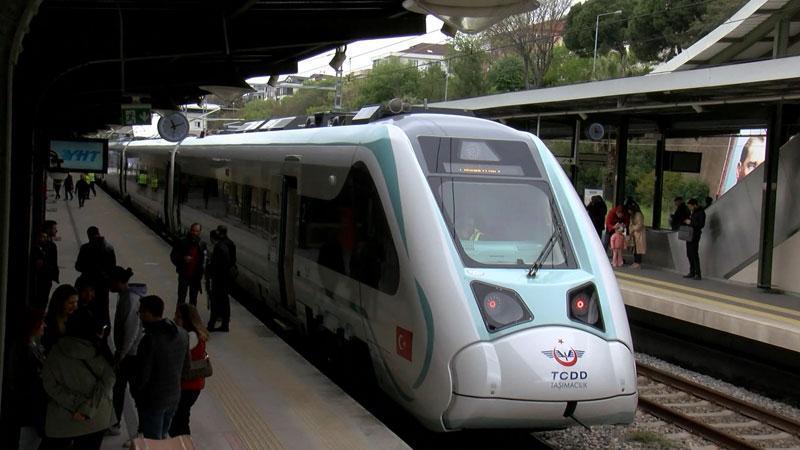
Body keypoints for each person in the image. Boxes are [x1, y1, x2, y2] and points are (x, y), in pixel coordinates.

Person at [39, 310, 115, 450]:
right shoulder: (98, 351)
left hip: (64, 419)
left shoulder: (55, 352)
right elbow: (109, 379)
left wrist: (75, 404)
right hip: (97, 418)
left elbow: (50, 385)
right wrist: (87, 408)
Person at [133, 295, 190, 440]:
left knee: (153, 440)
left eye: (141, 312)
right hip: (174, 396)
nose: (139, 316)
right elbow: (186, 367)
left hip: (153, 400)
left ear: (149, 313)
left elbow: (143, 375)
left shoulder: (150, 340)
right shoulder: (183, 334)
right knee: (163, 434)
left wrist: (137, 394)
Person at [109, 266, 146, 435]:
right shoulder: (125, 296)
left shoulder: (131, 299)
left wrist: (120, 354)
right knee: (120, 388)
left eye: (110, 282)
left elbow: (131, 331)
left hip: (132, 354)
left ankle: (142, 430)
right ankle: (115, 422)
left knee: (134, 391)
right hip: (128, 353)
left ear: (118, 282)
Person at [9, 308, 47, 449]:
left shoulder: (31, 346)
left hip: (30, 407)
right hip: (29, 408)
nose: (44, 325)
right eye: (41, 322)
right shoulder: (25, 349)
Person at [169, 304, 209, 436]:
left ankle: (183, 442)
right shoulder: (196, 334)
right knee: (182, 416)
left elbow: (176, 356)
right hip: (194, 384)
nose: (174, 319)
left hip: (188, 385)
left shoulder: (190, 337)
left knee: (180, 419)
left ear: (187, 320)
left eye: (178, 317)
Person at [75, 226, 116, 331]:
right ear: (99, 233)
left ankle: (88, 330)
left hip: (87, 285)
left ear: (89, 236)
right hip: (103, 287)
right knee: (104, 311)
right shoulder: (109, 248)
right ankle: (104, 331)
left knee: (87, 309)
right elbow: (112, 269)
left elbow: (78, 267)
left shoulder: (85, 248)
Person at [170, 223, 207, 306]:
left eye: (197, 231)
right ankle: (179, 313)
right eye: (193, 231)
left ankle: (191, 313)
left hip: (196, 276)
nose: (194, 233)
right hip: (184, 274)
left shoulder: (202, 244)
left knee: (193, 299)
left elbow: (203, 260)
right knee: (181, 297)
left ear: (200, 232)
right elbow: (173, 256)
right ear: (190, 230)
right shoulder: (182, 241)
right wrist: (183, 259)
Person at [207, 230, 234, 332]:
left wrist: (209, 268)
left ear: (212, 238)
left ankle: (211, 325)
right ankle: (224, 325)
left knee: (215, 304)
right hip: (224, 281)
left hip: (219, 281)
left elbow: (216, 265)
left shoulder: (218, 248)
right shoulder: (224, 246)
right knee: (225, 303)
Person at [43, 284, 79, 353]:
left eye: (76, 302)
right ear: (60, 302)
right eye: (71, 303)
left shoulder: (75, 319)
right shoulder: (47, 322)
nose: (75, 307)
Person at [38, 221, 60, 309]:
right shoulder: (48, 244)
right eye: (54, 228)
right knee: (42, 300)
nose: (56, 231)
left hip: (47, 276)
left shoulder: (48, 243)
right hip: (44, 277)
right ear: (48, 229)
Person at [683, 198, 706, 280]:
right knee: (689, 253)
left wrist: (691, 222)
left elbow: (701, 224)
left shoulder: (701, 212)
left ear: (695, 205)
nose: (690, 208)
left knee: (694, 254)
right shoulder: (693, 212)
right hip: (689, 234)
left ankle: (697, 273)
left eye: (690, 206)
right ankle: (692, 272)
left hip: (695, 235)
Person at [32, 231, 54, 309]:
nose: (45, 239)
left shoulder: (44, 249)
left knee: (44, 299)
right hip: (41, 279)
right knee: (41, 299)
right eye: (43, 237)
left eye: (45, 237)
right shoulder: (37, 250)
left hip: (45, 278)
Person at [628, 203, 646, 269]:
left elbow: (640, 224)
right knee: (635, 249)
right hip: (634, 234)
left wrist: (633, 228)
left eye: (629, 210)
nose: (628, 211)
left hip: (639, 234)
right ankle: (635, 262)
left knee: (638, 249)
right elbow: (630, 224)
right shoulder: (632, 215)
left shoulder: (638, 215)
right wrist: (631, 230)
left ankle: (638, 263)